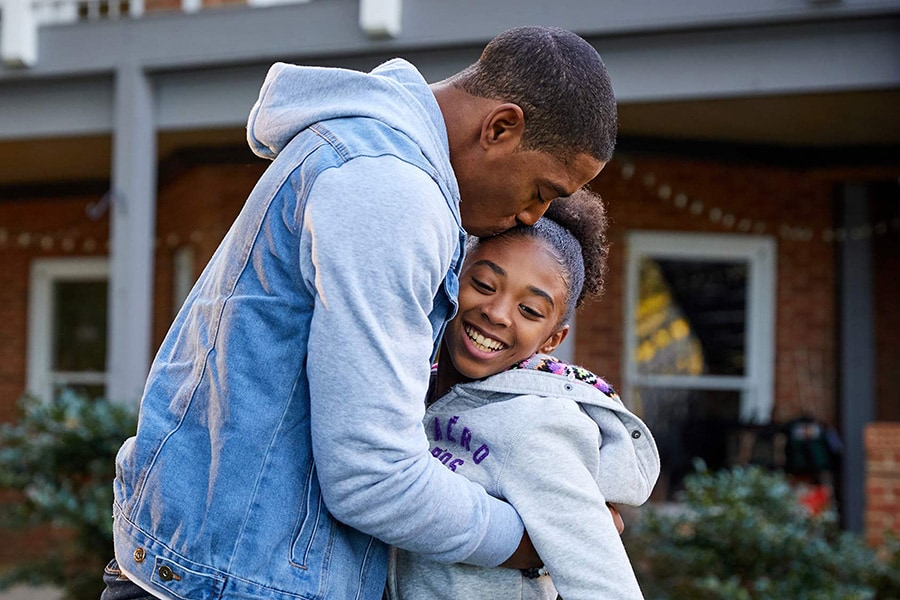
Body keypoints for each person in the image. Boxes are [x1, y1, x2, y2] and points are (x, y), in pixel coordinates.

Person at [102, 26, 617, 600]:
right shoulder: (393, 191)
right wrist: (540, 540)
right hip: (238, 583)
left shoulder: (357, 150)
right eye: (542, 189)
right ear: (500, 128)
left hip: (210, 564)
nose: (534, 215)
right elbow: (374, 477)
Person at [387, 191, 660, 600]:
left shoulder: (536, 427)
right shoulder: (405, 385)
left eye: (530, 310)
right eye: (483, 284)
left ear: (552, 340)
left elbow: (603, 583)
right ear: (452, 280)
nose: (497, 313)